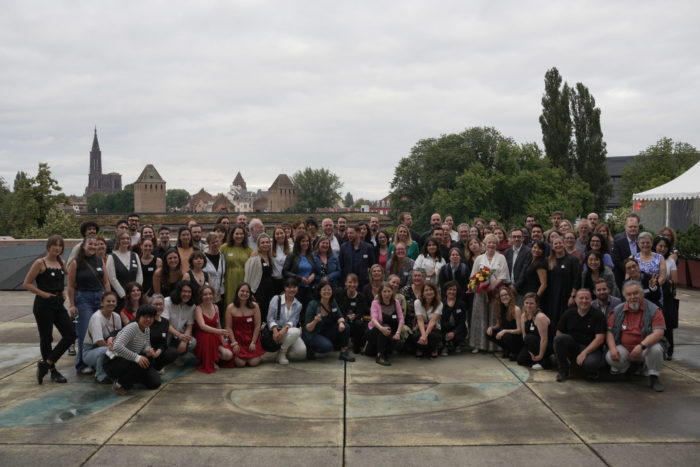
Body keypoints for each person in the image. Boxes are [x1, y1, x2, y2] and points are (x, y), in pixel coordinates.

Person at [23, 235, 77, 384]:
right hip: (43, 305)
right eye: (55, 245)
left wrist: (63, 292)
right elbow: (27, 284)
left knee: (70, 335)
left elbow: (60, 283)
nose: (58, 248)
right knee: (46, 338)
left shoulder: (62, 263)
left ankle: (46, 364)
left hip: (58, 304)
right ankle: (53, 371)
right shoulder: (40, 263)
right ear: (49, 246)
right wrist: (43, 294)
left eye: (60, 246)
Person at [605, 280, 667, 392]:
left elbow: (659, 333)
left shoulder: (654, 310)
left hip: (644, 348)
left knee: (656, 349)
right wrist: (613, 349)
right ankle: (629, 368)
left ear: (642, 293)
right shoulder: (618, 310)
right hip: (625, 347)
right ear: (624, 296)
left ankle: (654, 377)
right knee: (610, 356)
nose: (632, 297)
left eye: (636, 293)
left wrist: (641, 346)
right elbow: (609, 331)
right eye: (629, 294)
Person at [67, 235, 111, 374]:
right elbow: (71, 286)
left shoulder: (100, 260)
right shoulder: (75, 262)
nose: (93, 246)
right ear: (83, 246)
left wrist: (108, 298)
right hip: (83, 298)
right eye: (90, 244)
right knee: (84, 331)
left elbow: (106, 282)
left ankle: (95, 361)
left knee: (99, 331)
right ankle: (81, 364)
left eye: (95, 244)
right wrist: (72, 304)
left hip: (99, 297)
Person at [104, 304, 161, 395]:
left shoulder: (147, 329)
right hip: (113, 362)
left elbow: (146, 344)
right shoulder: (133, 327)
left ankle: (132, 378)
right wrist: (137, 358)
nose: (148, 320)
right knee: (140, 361)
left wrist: (149, 350)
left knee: (154, 383)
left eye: (151, 317)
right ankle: (120, 384)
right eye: (145, 317)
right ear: (139, 317)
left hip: (129, 360)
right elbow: (117, 346)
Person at [553, 288, 606, 381]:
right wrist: (561, 353)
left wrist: (584, 353)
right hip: (573, 345)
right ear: (576, 300)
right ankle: (563, 371)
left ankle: (592, 372)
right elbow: (559, 332)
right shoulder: (568, 313)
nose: (584, 301)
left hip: (590, 348)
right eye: (581, 298)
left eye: (587, 298)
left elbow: (600, 339)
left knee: (591, 363)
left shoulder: (598, 315)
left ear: (591, 300)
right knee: (559, 339)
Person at [468, 234, 509, 353]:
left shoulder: (501, 258)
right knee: (479, 317)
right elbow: (473, 276)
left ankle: (494, 346)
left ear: (497, 245)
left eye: (493, 243)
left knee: (494, 316)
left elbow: (504, 275)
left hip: (496, 292)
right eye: (489, 243)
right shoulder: (479, 259)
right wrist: (481, 285)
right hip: (481, 293)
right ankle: (478, 345)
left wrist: (493, 285)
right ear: (484, 244)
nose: (491, 245)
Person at [303, 280, 356, 361]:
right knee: (327, 347)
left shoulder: (332, 302)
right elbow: (308, 328)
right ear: (319, 291)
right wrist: (315, 321)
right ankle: (311, 348)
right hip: (314, 333)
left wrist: (341, 323)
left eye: (329, 289)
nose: (327, 292)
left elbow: (340, 316)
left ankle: (343, 353)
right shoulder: (313, 304)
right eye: (324, 289)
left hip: (326, 332)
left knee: (346, 326)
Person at [82, 291, 122, 384]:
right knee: (105, 350)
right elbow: (99, 342)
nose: (111, 303)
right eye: (108, 301)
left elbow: (120, 337)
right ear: (102, 303)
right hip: (90, 351)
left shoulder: (116, 316)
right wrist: (114, 351)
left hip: (108, 346)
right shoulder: (96, 317)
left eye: (113, 301)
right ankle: (100, 376)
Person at [193, 285, 234, 373]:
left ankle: (211, 358)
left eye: (210, 294)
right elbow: (202, 326)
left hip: (215, 335)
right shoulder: (198, 308)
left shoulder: (216, 307)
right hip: (202, 335)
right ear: (201, 296)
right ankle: (209, 361)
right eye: (205, 294)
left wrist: (222, 337)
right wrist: (219, 332)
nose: (208, 296)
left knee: (228, 355)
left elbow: (218, 324)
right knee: (208, 337)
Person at [225, 282, 266, 367]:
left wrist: (253, 342)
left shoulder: (255, 306)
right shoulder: (230, 307)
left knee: (253, 363)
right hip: (237, 339)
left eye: (247, 292)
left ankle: (256, 355)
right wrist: (234, 343)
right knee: (240, 363)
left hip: (251, 338)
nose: (244, 293)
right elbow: (228, 327)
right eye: (242, 291)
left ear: (250, 294)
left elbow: (257, 326)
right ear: (237, 292)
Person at [267, 278, 307, 364]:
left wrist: (284, 330)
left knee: (301, 353)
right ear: (285, 288)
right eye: (289, 287)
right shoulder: (276, 299)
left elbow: (294, 320)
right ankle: (282, 354)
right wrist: (275, 331)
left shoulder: (298, 305)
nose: (292, 289)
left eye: (294, 287)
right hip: (276, 332)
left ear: (297, 288)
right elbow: (270, 318)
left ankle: (282, 350)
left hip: (288, 331)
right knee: (295, 332)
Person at [545, 237, 581, 330]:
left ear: (564, 244)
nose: (558, 245)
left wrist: (573, 296)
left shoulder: (572, 260)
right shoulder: (549, 261)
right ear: (552, 247)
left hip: (567, 297)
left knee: (566, 321)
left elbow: (577, 279)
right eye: (555, 244)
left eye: (560, 243)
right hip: (552, 297)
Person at [366, 282, 404, 365]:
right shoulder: (375, 303)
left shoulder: (396, 302)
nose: (387, 294)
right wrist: (381, 328)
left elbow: (401, 319)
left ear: (392, 292)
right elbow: (374, 319)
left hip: (391, 332)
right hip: (375, 331)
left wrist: (398, 333)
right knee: (385, 327)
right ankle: (380, 356)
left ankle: (383, 350)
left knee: (399, 344)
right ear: (380, 293)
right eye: (384, 291)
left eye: (389, 291)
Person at [654, 235, 678, 359]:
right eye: (660, 246)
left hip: (666, 295)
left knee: (667, 323)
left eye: (665, 246)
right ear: (655, 246)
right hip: (652, 293)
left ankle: (669, 351)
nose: (662, 249)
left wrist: (664, 280)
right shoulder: (650, 257)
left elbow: (674, 280)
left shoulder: (670, 261)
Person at [283, 232, 319, 313]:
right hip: (296, 289)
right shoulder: (292, 255)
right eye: (303, 241)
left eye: (307, 241)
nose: (305, 243)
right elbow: (285, 272)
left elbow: (315, 270)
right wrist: (299, 278)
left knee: (308, 312)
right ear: (298, 242)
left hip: (308, 289)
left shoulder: (310, 255)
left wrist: (313, 275)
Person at [107, 230, 143, 309]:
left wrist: (135, 292)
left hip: (135, 298)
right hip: (120, 297)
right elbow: (112, 278)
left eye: (128, 238)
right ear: (118, 240)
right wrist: (124, 295)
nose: (125, 240)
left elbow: (139, 274)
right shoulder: (111, 256)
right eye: (123, 239)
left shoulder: (135, 255)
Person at [335, 273, 370, 354]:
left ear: (357, 284)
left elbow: (361, 312)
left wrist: (355, 316)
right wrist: (345, 317)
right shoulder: (340, 294)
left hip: (355, 321)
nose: (352, 284)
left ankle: (357, 346)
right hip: (343, 319)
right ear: (345, 283)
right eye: (350, 282)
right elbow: (338, 310)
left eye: (354, 282)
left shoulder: (361, 296)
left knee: (359, 323)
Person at [485, 287, 523, 360]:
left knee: (506, 336)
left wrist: (504, 331)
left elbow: (519, 330)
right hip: (506, 334)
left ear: (510, 296)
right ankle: (507, 349)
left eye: (506, 294)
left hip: (515, 336)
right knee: (489, 333)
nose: (504, 297)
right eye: (501, 296)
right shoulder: (500, 308)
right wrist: (491, 328)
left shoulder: (516, 309)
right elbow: (498, 325)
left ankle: (515, 351)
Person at [163, 281, 197, 360]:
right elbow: (166, 324)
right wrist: (179, 335)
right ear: (179, 291)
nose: (187, 294)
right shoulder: (167, 301)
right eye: (184, 291)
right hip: (167, 332)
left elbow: (189, 326)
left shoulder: (192, 306)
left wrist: (184, 341)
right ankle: (163, 360)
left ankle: (178, 357)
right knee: (163, 340)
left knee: (193, 342)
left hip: (180, 333)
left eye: (189, 292)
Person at [516, 293, 551, 369]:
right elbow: (524, 335)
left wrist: (541, 355)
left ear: (537, 305)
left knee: (529, 338)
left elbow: (544, 339)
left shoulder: (540, 317)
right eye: (526, 303)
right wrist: (529, 351)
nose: (528, 305)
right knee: (520, 360)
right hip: (532, 344)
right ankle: (536, 361)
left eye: (531, 303)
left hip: (545, 344)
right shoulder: (523, 316)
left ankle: (544, 361)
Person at [220, 225, 253, 306]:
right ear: (232, 235)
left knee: (243, 300)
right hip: (229, 279)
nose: (239, 236)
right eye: (236, 234)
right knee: (230, 301)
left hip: (244, 278)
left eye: (241, 234)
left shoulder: (249, 249)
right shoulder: (224, 247)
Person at [148, 294, 179, 373]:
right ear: (150, 305)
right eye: (156, 304)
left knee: (173, 352)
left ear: (164, 306)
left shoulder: (165, 322)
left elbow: (164, 343)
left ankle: (157, 368)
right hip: (145, 352)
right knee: (154, 383)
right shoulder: (146, 320)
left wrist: (158, 351)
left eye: (160, 304)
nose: (158, 307)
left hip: (157, 353)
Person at [411, 282, 443, 359]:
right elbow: (420, 320)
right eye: (426, 290)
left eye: (431, 290)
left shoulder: (439, 303)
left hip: (434, 327)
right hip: (420, 327)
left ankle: (433, 349)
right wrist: (423, 335)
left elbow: (433, 321)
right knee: (416, 336)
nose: (429, 292)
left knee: (434, 336)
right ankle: (420, 349)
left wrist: (425, 336)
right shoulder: (417, 302)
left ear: (435, 292)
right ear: (423, 293)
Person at [612, 213, 640, 289]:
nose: (633, 229)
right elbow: (616, 260)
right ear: (626, 228)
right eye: (630, 227)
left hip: (640, 277)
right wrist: (630, 270)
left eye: (635, 227)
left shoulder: (642, 240)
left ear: (638, 228)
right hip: (623, 277)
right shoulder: (619, 242)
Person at [440, 281, 468, 355]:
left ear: (457, 291)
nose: (452, 291)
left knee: (460, 335)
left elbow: (462, 322)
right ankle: (445, 345)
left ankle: (456, 344)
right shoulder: (440, 303)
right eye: (450, 289)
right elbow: (440, 321)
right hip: (444, 329)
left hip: (457, 329)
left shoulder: (462, 304)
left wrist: (454, 332)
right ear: (446, 291)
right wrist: (446, 333)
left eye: (454, 290)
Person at [505, 228, 531, 298]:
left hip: (522, 289)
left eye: (519, 236)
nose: (516, 239)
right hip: (509, 288)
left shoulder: (528, 251)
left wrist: (515, 286)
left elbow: (524, 271)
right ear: (510, 238)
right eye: (514, 237)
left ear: (523, 238)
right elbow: (506, 270)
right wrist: (509, 284)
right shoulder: (507, 252)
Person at [271, 227, 290, 294]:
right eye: (277, 234)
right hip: (275, 280)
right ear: (274, 236)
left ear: (285, 234)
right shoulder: (270, 248)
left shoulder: (291, 248)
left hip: (287, 280)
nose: (279, 235)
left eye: (281, 233)